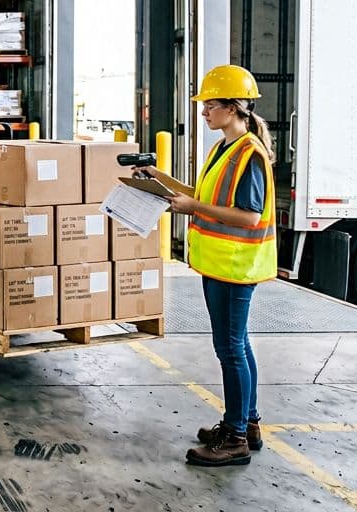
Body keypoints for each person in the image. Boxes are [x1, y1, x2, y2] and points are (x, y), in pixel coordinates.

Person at [144, 64, 277, 467]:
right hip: (220, 264)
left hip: (236, 265)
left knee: (230, 348)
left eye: (210, 105)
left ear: (234, 108)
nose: (203, 112)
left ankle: (235, 437)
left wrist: (193, 208)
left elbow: (249, 217)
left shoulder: (250, 153)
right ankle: (246, 423)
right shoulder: (224, 147)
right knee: (239, 344)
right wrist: (160, 180)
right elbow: (204, 195)